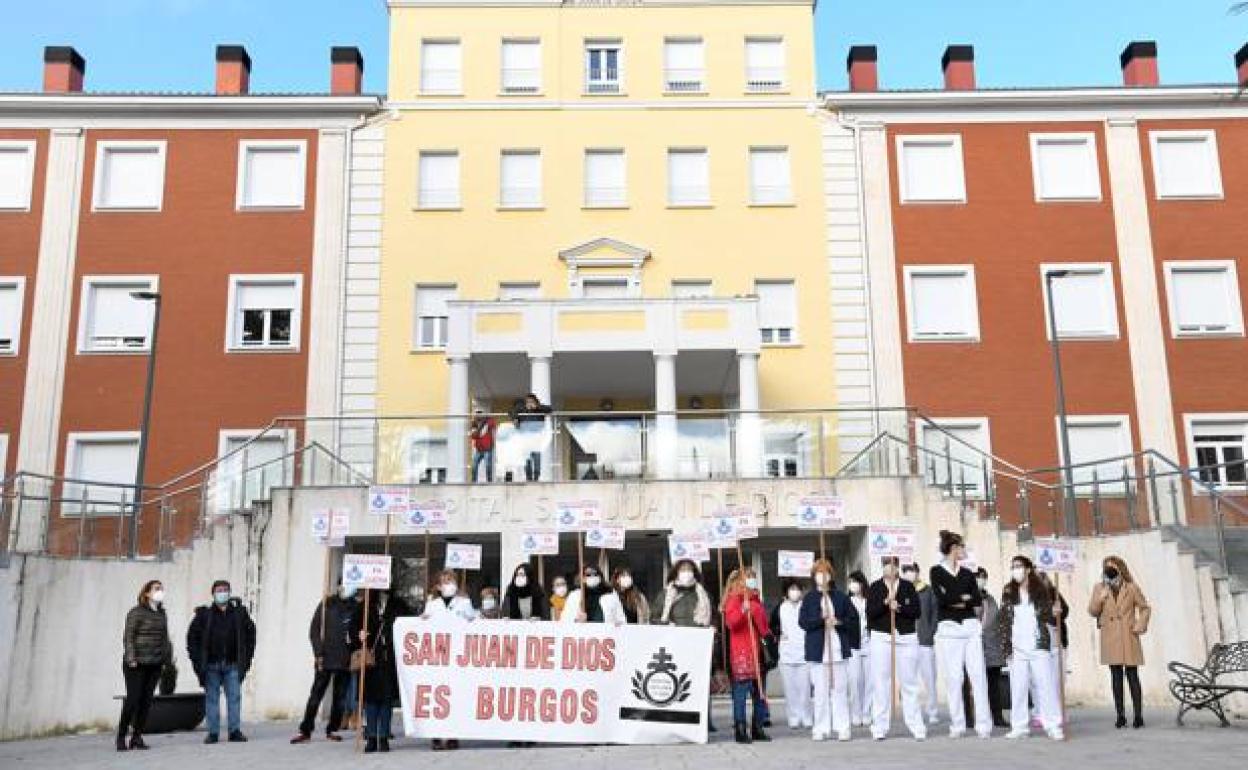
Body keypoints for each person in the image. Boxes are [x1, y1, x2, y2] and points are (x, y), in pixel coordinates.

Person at [929, 530, 992, 739]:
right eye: (962, 547)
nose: (964, 551)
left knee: (978, 676)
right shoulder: (936, 571)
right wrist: (960, 598)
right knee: (954, 677)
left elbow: (975, 599)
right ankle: (958, 724)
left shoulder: (967, 573)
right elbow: (942, 599)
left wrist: (959, 598)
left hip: (970, 627)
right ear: (953, 549)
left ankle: (984, 725)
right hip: (949, 629)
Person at [999, 555, 1063, 740]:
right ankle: (1019, 726)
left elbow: (1048, 617)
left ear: (1028, 569)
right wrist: (1007, 647)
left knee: (1046, 685)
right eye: (1013, 566)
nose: (1015, 570)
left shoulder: (1039, 590)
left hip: (1038, 645)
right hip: (1017, 648)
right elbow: (1004, 619)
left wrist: (1054, 611)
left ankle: (1052, 725)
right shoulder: (1009, 591)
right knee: (1018, 688)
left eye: (1018, 566)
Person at [186, 579, 256, 744]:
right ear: (213, 593)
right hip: (211, 665)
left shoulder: (240, 614)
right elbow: (192, 639)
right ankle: (213, 733)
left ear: (230, 593)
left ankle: (234, 731)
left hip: (233, 664)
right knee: (212, 699)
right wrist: (197, 661)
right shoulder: (204, 614)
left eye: (225, 590)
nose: (222, 593)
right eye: (219, 590)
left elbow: (251, 635)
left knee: (234, 698)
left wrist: (246, 659)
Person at [866, 556, 925, 741]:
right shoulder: (875, 587)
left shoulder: (907, 587)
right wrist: (885, 602)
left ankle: (916, 725)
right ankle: (880, 726)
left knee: (909, 682)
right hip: (882, 637)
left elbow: (916, 612)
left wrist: (898, 606)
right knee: (881, 682)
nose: (889, 568)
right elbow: (870, 613)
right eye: (885, 565)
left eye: (892, 565)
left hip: (906, 637)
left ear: (898, 567)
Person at [799, 560, 859, 742]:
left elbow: (853, 619)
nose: (822, 576)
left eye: (825, 573)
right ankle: (821, 727)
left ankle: (842, 727)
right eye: (818, 573)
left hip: (837, 650)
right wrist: (820, 621)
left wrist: (838, 621)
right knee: (820, 692)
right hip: (818, 652)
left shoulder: (841, 597)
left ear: (831, 576)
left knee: (839, 690)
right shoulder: (809, 598)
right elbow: (803, 622)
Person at [291, 583, 359, 744]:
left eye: (349, 586)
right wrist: (318, 652)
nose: (345, 588)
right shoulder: (327, 604)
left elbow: (358, 630)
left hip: (345, 659)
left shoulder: (355, 607)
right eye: (343, 585)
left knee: (340, 697)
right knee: (316, 695)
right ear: (338, 586)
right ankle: (305, 729)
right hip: (325, 658)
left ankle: (333, 729)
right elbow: (314, 630)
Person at [1088, 555, 1151, 729]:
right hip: (1110, 637)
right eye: (1106, 567)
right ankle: (1120, 715)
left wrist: (1140, 625)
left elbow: (1144, 608)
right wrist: (1100, 598)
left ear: (1120, 569)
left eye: (1112, 567)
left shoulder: (1131, 588)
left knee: (1132, 675)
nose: (1109, 570)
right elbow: (1092, 611)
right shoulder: (1099, 588)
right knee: (1115, 676)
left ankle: (1138, 716)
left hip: (1128, 635)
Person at [656, 559, 716, 732]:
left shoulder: (702, 593)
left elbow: (713, 615)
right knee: (678, 683)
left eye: (690, 569)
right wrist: (666, 625)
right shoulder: (666, 594)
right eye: (683, 569)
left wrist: (713, 625)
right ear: (675, 573)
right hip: (676, 646)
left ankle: (705, 720)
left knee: (701, 684)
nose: (686, 572)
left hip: (699, 647)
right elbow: (654, 617)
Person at [117, 580, 173, 752]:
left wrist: (165, 660)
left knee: (146, 702)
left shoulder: (162, 613)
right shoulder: (136, 612)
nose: (160, 591)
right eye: (156, 588)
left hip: (155, 664)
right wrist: (131, 657)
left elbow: (164, 639)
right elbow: (129, 636)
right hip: (136, 664)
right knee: (133, 700)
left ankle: (137, 737)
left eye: (161, 588)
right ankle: (121, 736)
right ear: (147, 593)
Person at [722, 568, 770, 744]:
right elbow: (731, 623)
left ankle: (758, 727)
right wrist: (743, 609)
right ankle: (741, 729)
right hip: (742, 653)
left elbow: (764, 627)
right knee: (741, 694)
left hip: (757, 652)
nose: (752, 581)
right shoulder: (734, 599)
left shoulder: (756, 599)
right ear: (740, 581)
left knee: (759, 693)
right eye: (749, 578)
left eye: (754, 578)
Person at [354, 590, 403, 753]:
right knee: (371, 700)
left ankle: (383, 737)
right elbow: (351, 630)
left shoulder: (398, 605)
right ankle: (371, 737)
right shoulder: (364, 606)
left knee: (386, 700)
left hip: (389, 659)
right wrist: (358, 635)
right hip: (371, 660)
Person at [771, 578, 812, 730]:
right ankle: (793, 717)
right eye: (791, 589)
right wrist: (778, 634)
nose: (794, 592)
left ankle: (806, 716)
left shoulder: (806, 606)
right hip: (787, 654)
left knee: (805, 688)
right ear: (786, 592)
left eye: (797, 589)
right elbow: (772, 626)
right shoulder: (781, 608)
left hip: (804, 653)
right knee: (790, 689)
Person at [908, 562, 941, 725]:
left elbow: (935, 613)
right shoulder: (900, 591)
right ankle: (914, 712)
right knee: (910, 679)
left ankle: (933, 711)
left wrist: (930, 632)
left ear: (918, 572)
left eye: (912, 570)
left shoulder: (927, 591)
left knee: (929, 678)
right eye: (906, 571)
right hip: (906, 641)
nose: (909, 574)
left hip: (924, 640)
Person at [976, 567, 1008, 728]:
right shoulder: (969, 599)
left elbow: (997, 620)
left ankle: (997, 716)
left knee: (993, 686)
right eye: (978, 577)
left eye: (983, 577)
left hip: (992, 649)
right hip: (976, 648)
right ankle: (973, 718)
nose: (981, 580)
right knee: (975, 685)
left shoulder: (990, 599)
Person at [846, 570, 873, 728]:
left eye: (855, 581)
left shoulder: (869, 600)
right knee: (855, 680)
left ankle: (867, 712)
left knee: (870, 681)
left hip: (869, 643)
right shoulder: (847, 601)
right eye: (850, 582)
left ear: (862, 583)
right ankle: (856, 712)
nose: (852, 585)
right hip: (853, 645)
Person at [513, 393, 552, 481]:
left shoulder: (539, 409)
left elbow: (550, 409)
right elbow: (512, 412)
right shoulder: (522, 409)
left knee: (537, 460)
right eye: (527, 402)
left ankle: (536, 478)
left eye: (531, 401)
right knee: (527, 461)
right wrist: (515, 418)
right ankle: (529, 478)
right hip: (526, 440)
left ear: (535, 401)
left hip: (537, 440)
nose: (529, 403)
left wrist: (537, 407)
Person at [470, 409, 498, 483]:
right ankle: (473, 482)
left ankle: (489, 482)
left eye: (480, 413)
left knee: (488, 466)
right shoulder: (474, 423)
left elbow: (494, 424)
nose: (478, 415)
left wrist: (486, 420)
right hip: (478, 449)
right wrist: (479, 428)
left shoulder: (489, 421)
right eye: (477, 414)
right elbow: (473, 436)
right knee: (473, 466)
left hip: (487, 449)